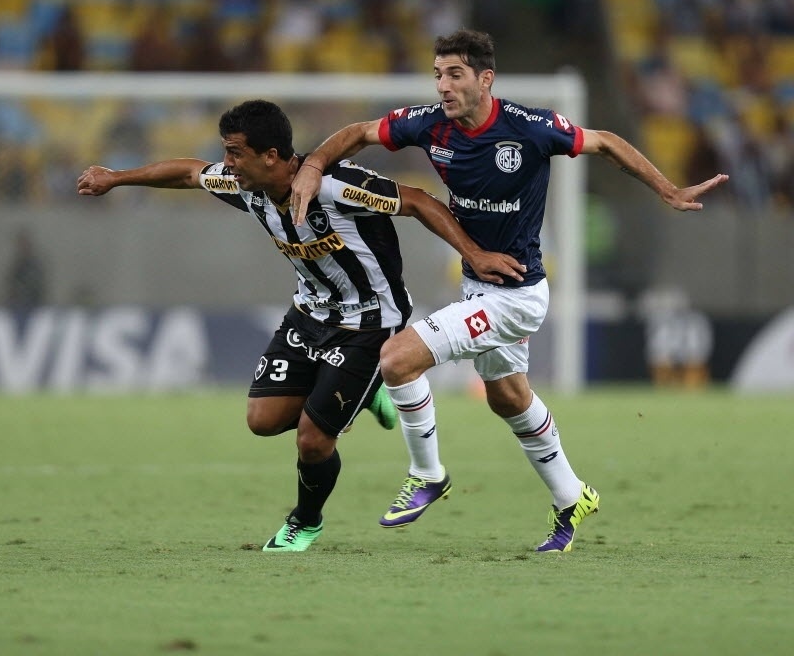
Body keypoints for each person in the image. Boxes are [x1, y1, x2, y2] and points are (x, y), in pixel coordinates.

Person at [290, 29, 728, 552]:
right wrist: (313, 166)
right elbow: (360, 133)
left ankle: (427, 474)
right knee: (508, 397)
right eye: (437, 74)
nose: (443, 86)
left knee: (397, 359)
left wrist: (669, 190)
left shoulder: (531, 128)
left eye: (454, 74)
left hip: (517, 297)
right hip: (480, 287)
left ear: (485, 79)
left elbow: (606, 141)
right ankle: (572, 496)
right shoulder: (429, 125)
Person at [77, 99, 523, 552]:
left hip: (371, 324)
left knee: (313, 440)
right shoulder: (247, 186)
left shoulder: (336, 186)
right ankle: (368, 393)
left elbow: (416, 201)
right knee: (262, 421)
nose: (227, 164)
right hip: (309, 315)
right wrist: (116, 178)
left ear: (270, 155)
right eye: (226, 152)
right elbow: (189, 173)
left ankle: (304, 522)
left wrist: (473, 254)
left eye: (235, 153)